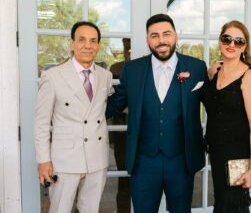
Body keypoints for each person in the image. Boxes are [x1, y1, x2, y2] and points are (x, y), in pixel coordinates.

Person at [106, 13, 209, 213]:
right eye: (155, 35)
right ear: (148, 40)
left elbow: (215, 105)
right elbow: (113, 105)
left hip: (181, 161)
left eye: (166, 34)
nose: (161, 40)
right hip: (144, 161)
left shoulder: (196, 68)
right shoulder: (132, 69)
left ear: (175, 37)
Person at [34, 21, 114, 213]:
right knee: (60, 209)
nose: (88, 45)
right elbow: (41, 122)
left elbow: (104, 106)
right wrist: (43, 160)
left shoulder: (106, 76)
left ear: (98, 45)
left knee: (90, 209)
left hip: (97, 157)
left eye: (93, 41)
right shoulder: (53, 76)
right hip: (65, 159)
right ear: (72, 44)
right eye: (82, 40)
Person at [203, 20, 251, 213]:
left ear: (245, 47)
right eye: (227, 39)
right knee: (221, 202)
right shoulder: (214, 72)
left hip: (238, 155)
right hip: (217, 153)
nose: (231, 45)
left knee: (232, 206)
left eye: (239, 41)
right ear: (220, 42)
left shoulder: (249, 76)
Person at [109, 38, 131, 213]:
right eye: (126, 47)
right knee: (124, 177)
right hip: (122, 129)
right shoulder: (115, 69)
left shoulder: (150, 66)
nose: (128, 50)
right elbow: (114, 100)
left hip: (148, 131)